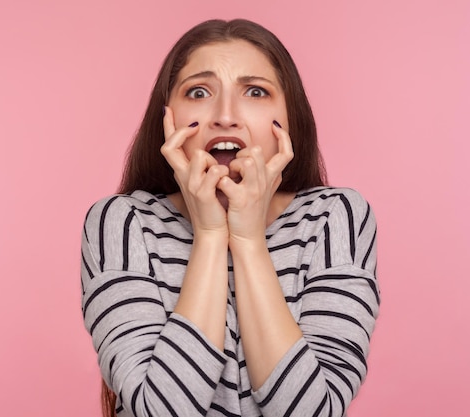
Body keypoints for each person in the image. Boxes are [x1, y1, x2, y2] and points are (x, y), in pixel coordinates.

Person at [81, 18, 379, 417]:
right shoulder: (120, 222)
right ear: (167, 118)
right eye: (199, 92)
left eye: (255, 92)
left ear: (288, 119)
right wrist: (208, 234)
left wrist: (248, 240)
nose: (225, 116)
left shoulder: (334, 217)